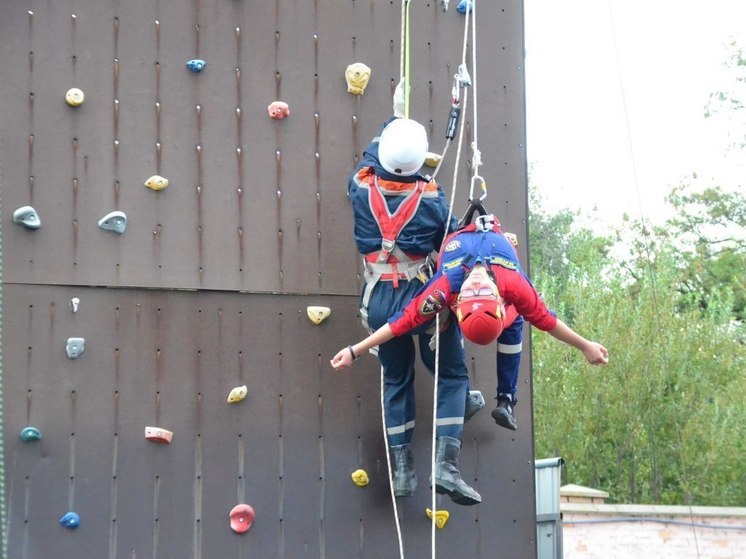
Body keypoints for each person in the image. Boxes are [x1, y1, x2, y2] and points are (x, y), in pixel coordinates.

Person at [332, 213, 609, 461]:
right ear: (499, 299)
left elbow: (400, 322)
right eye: (480, 292)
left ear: (457, 300)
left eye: (474, 293)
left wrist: (355, 350)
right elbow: (547, 320)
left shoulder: (446, 286)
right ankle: (506, 398)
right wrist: (585, 346)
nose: (476, 284)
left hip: (460, 234)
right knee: (519, 318)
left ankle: (501, 399)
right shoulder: (512, 283)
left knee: (513, 321)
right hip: (488, 238)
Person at [345, 86, 484, 506]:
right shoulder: (432, 200)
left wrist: (393, 119)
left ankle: (402, 471)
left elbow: (372, 158)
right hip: (422, 301)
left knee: (396, 377)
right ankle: (445, 466)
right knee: (451, 375)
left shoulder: (359, 188)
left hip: (379, 302)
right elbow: (450, 239)